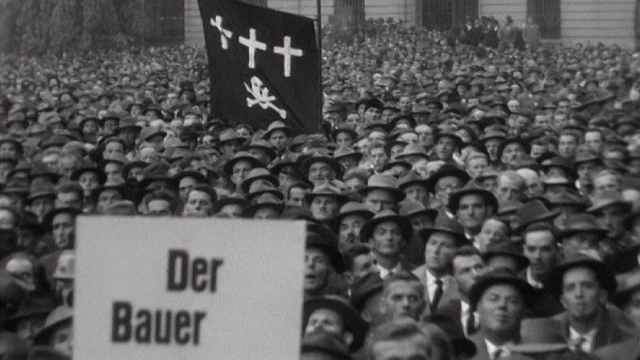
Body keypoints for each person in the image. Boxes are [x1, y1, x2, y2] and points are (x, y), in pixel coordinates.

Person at [548, 253, 640, 352]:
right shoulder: (548, 335)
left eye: (587, 286)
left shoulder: (628, 341)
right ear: (563, 301)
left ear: (602, 295)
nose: (579, 294)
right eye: (570, 288)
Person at [467, 268, 536, 360]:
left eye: (512, 301)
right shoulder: (459, 352)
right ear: (478, 307)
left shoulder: (537, 353)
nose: (502, 305)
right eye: (493, 299)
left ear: (523, 312)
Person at [413, 214, 468, 316]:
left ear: (456, 252)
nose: (436, 250)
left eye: (445, 245)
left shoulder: (463, 284)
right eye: (433, 243)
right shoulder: (411, 279)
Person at [359, 210, 414, 278]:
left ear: (403, 241)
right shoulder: (365, 275)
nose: (389, 237)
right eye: (382, 233)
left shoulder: (416, 273)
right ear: (371, 242)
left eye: (395, 233)